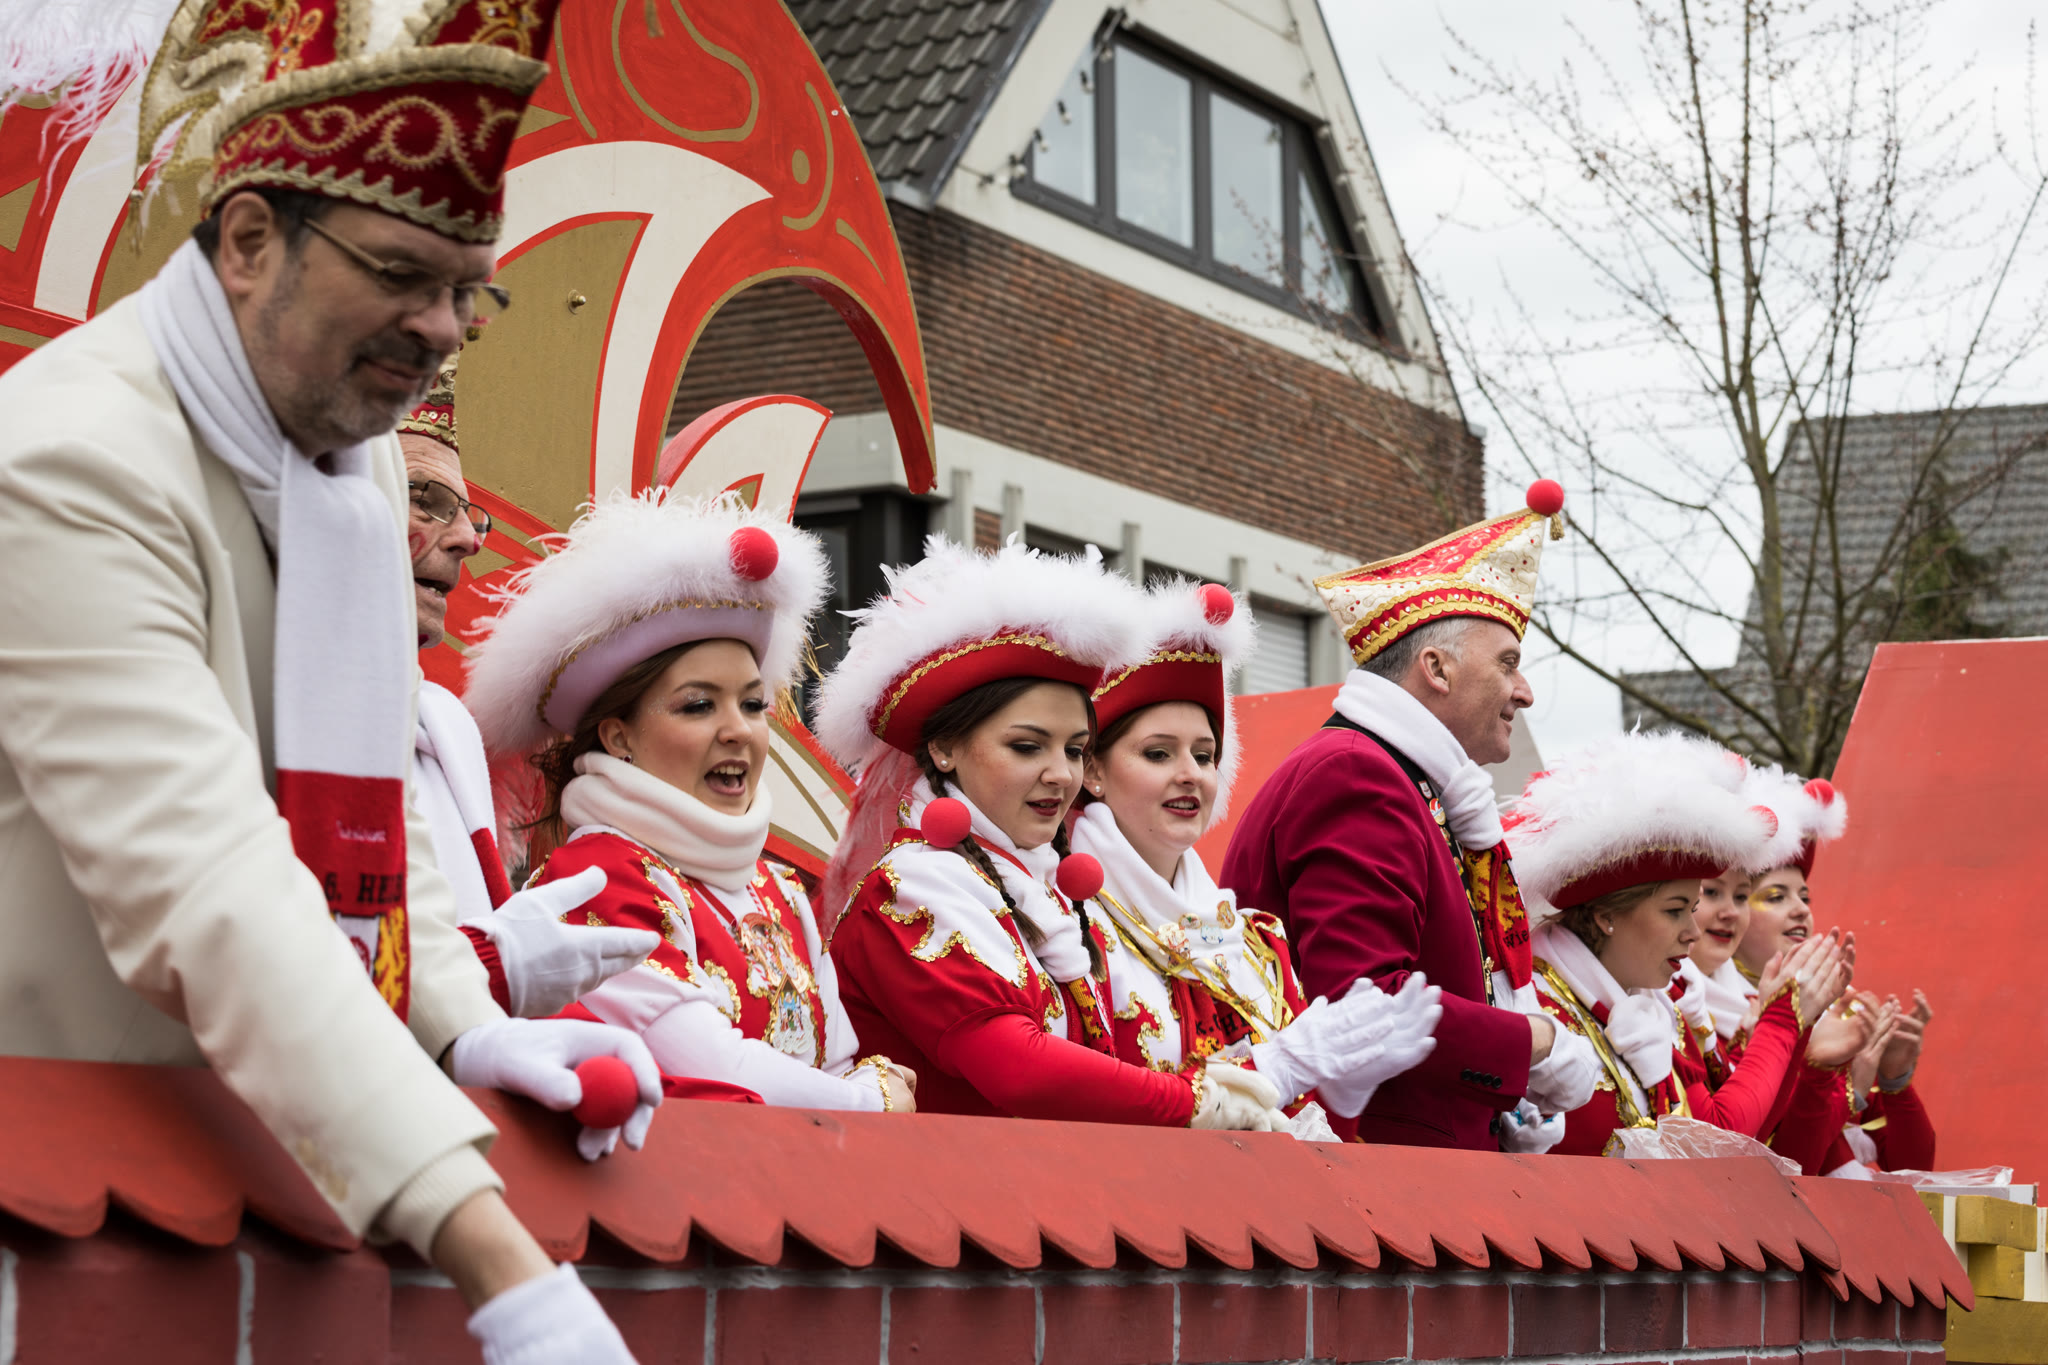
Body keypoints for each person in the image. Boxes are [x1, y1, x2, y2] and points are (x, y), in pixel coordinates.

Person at [0, 4, 653, 1359]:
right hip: (44, 1180)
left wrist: (465, 1025)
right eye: (403, 273)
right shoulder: (68, 461)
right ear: (248, 240)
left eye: (472, 289)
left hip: (227, 1171)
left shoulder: (342, 470)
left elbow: (362, 813)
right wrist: (502, 1265)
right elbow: (206, 883)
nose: (445, 329)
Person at [816, 537, 1291, 1131]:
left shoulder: (1043, 890)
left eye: (1073, 750)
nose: (1061, 775)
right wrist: (1194, 1103)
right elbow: (1017, 1068)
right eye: (1026, 746)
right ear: (944, 748)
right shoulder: (911, 886)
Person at [464, 490, 911, 1111]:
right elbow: (715, 1070)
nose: (739, 731)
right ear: (618, 737)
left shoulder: (781, 893)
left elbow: (837, 1061)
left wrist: (861, 1089)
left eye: (753, 704)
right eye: (698, 706)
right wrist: (874, 1101)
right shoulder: (597, 876)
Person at [1221, 483, 1600, 1149]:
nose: (1525, 692)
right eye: (1508, 663)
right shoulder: (1356, 774)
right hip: (1378, 1176)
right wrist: (1535, 1041)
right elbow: (1367, 1001)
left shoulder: (1399, 779)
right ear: (1437, 668)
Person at [1069, 578, 1443, 1127]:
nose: (1191, 775)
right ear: (1093, 770)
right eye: (1158, 754)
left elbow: (1295, 1128)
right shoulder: (1065, 924)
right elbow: (1091, 1110)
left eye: (1204, 756)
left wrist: (1341, 1088)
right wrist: (1274, 1068)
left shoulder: (1259, 944)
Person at [398, 361, 659, 1019]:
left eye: (468, 515)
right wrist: (491, 972)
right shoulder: (242, 695)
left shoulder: (446, 725)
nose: (467, 539)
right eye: (425, 498)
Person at [1506, 733, 1853, 1156]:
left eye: (1693, 908)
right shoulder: (1537, 1008)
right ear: (1606, 914)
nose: (1693, 931)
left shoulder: (1657, 1006)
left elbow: (1744, 1149)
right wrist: (1781, 1020)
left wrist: (1792, 1024)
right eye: (1675, 910)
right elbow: (1714, 1145)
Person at [1728, 780, 1937, 1175]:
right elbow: (1782, 1169)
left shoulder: (1839, 1011)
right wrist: (1847, 1089)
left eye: (1804, 896)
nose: (1800, 910)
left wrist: (1895, 1080)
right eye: (1776, 896)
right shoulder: (1710, 1014)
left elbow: (1913, 1166)